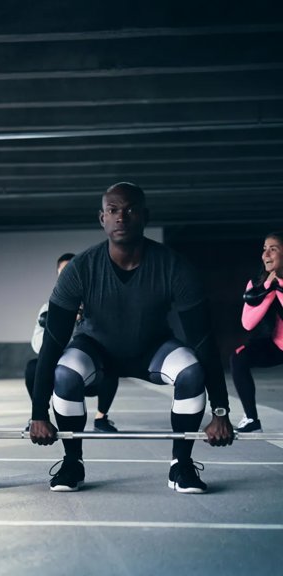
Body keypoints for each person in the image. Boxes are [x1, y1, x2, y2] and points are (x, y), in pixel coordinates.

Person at [29, 182, 234, 494]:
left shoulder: (174, 267)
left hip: (151, 350)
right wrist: (38, 414)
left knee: (191, 369)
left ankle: (181, 465)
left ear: (144, 216)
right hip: (95, 351)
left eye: (130, 210)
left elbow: (204, 342)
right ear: (103, 218)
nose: (121, 217)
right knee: (66, 372)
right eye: (113, 210)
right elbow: (52, 343)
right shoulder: (80, 268)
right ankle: (72, 462)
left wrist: (220, 411)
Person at [25, 253, 119, 432]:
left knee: (111, 366)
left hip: (89, 370)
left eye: (72, 271)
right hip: (58, 368)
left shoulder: (96, 304)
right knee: (32, 368)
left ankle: (101, 418)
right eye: (64, 272)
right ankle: (39, 419)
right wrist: (61, 325)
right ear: (58, 277)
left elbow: (109, 340)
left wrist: (82, 322)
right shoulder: (48, 308)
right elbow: (38, 347)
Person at [230, 231, 283, 433]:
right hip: (275, 345)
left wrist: (279, 286)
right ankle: (251, 419)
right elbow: (248, 323)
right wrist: (269, 287)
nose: (266, 255)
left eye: (273, 249)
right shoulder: (256, 284)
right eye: (264, 249)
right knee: (238, 358)